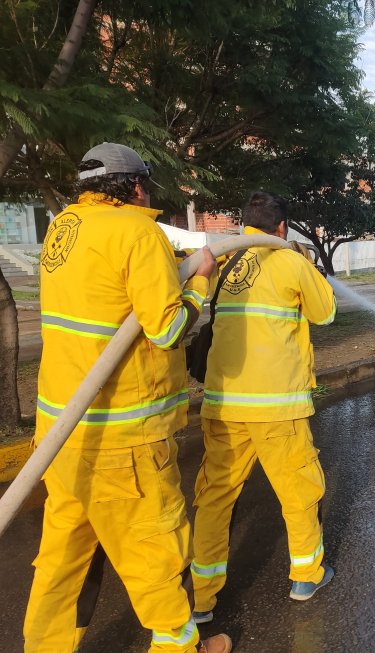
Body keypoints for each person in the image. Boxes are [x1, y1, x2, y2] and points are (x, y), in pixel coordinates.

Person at [26, 143, 231, 653]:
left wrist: (169, 267)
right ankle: (181, 647)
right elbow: (167, 330)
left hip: (61, 435)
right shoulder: (138, 231)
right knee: (155, 555)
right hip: (125, 438)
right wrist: (199, 284)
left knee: (62, 561)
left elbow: (107, 293)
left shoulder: (63, 230)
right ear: (136, 187)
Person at [190, 191, 337, 626]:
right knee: (298, 491)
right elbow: (326, 312)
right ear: (281, 227)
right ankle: (307, 575)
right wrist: (305, 264)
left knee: (215, 500)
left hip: (223, 407)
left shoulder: (223, 261)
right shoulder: (289, 261)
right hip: (278, 408)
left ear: (244, 224)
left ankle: (202, 599)